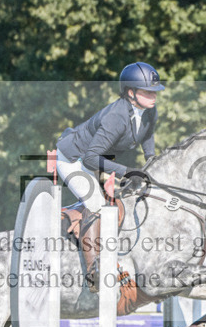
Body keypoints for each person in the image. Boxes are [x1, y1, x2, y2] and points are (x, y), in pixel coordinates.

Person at [55, 61, 163, 239]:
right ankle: (94, 262)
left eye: (155, 91)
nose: (154, 96)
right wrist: (127, 172)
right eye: (148, 91)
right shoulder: (116, 117)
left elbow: (147, 133)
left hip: (97, 160)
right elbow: (90, 158)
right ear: (131, 92)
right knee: (97, 203)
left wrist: (151, 159)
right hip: (74, 160)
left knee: (122, 200)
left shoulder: (149, 110)